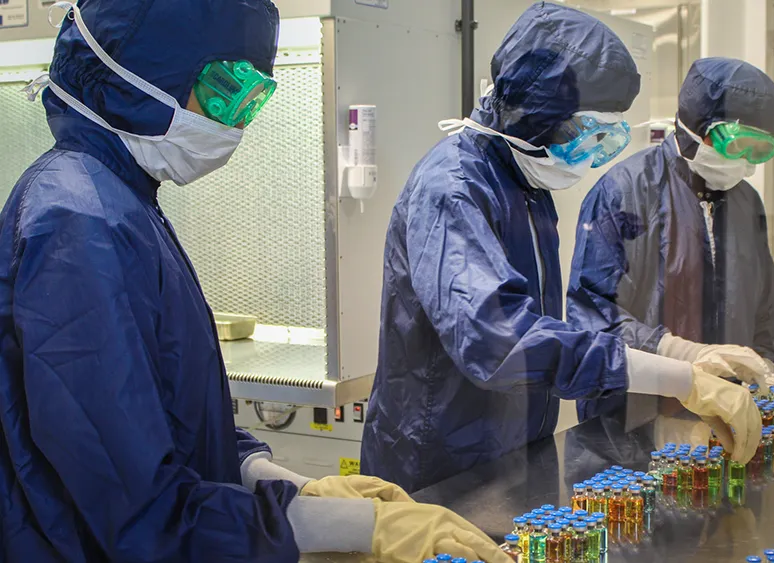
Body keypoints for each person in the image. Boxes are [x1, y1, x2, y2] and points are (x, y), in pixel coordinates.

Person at [0, 1, 506, 562]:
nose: (237, 118)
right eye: (224, 88)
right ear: (141, 74)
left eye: (253, 96)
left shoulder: (120, 199)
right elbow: (135, 510)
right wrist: (352, 526)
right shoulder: (79, 221)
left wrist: (276, 480)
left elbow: (174, 427)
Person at [362, 3, 765, 494]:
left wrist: (688, 359)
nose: (590, 157)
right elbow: (504, 342)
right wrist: (683, 381)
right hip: (434, 466)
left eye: (605, 138)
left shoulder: (526, 184)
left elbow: (555, 324)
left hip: (513, 450)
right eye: (580, 132)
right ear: (533, 115)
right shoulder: (454, 188)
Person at [567, 57, 774, 423]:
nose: (746, 163)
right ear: (693, 127)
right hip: (635, 414)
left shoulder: (746, 201)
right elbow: (593, 313)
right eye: (737, 146)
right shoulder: (626, 191)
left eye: (759, 150)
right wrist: (683, 354)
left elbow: (765, 304)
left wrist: (763, 365)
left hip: (724, 409)